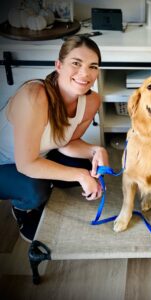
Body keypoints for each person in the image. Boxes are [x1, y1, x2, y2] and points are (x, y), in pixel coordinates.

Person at [0, 35, 109, 242]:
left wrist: (96, 150)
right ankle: (22, 208)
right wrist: (81, 176)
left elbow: (67, 142)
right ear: (58, 65)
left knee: (85, 163)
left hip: (35, 157)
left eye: (93, 66)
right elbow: (26, 163)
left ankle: (47, 182)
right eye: (76, 63)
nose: (85, 73)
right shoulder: (34, 95)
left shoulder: (92, 100)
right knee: (35, 190)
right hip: (7, 163)